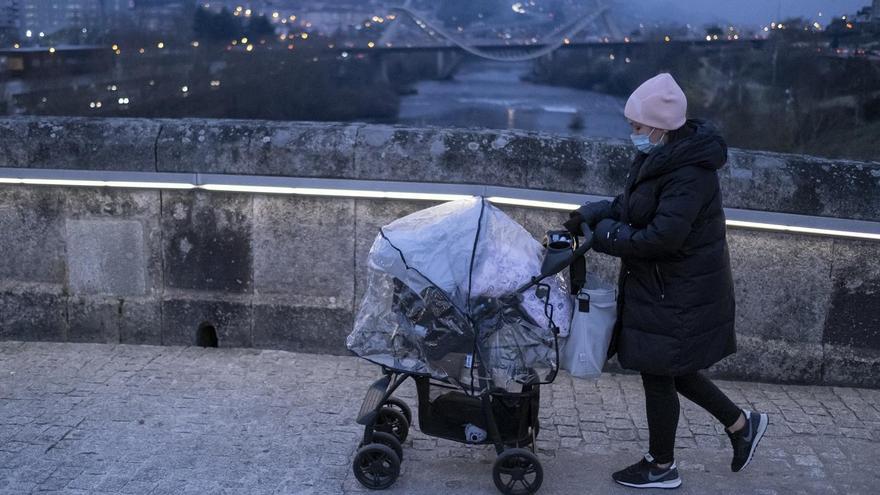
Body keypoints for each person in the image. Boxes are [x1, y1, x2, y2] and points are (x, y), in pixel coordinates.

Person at [564, 73, 769, 490]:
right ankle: (740, 424)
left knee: (660, 372)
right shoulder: (663, 156)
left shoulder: (690, 172)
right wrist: (592, 212)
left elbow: (663, 236)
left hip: (678, 288)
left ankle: (662, 466)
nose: (633, 135)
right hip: (665, 286)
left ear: (660, 126)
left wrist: (603, 236)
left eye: (637, 128)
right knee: (672, 369)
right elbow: (631, 205)